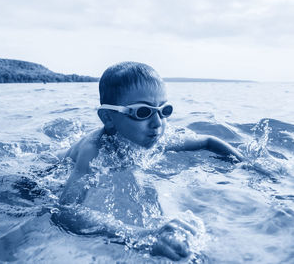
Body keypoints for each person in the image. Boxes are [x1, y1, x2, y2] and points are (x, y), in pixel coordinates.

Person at [52, 61, 243, 261]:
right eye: (143, 112)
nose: (158, 123)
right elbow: (65, 211)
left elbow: (208, 141)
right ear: (108, 118)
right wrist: (140, 235)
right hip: (51, 167)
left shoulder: (157, 137)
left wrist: (247, 165)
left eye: (164, 110)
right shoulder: (93, 151)